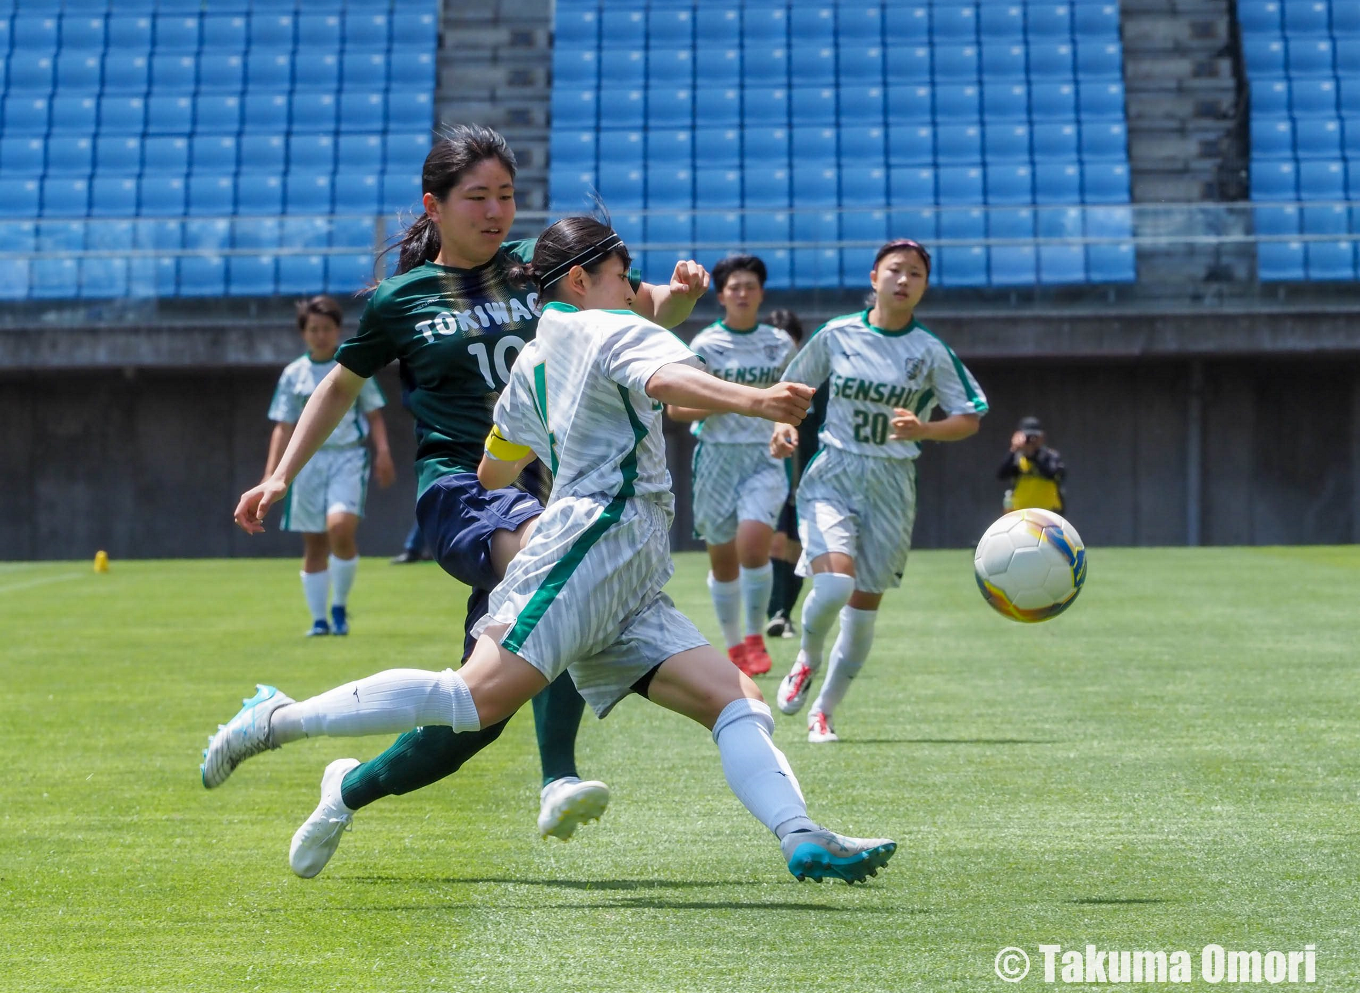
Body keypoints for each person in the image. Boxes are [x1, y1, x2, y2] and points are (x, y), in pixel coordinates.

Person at [204, 216, 897, 884]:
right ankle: (277, 718)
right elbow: (664, 381)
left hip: (627, 571)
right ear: (577, 281)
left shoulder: (535, 356)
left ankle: (803, 836)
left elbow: (495, 469)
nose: (632, 291)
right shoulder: (606, 325)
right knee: (470, 703)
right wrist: (755, 401)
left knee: (737, 700)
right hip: (590, 543)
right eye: (622, 276)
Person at [227, 125, 710, 877]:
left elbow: (641, 319)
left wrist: (678, 299)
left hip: (554, 493)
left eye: (507, 195)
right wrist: (282, 474)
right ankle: (558, 777)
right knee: (560, 578)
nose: (496, 211)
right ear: (436, 205)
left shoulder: (542, 274)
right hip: (463, 488)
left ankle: (343, 792)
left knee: (471, 719)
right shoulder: (401, 299)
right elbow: (340, 386)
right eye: (478, 196)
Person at [771, 240, 989, 743]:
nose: (904, 279)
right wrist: (780, 429)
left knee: (864, 609)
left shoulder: (931, 351)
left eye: (915, 273)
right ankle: (806, 657)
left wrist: (926, 430)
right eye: (895, 270)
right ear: (874, 278)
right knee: (834, 586)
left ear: (924, 287)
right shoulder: (838, 334)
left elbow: (969, 417)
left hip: (892, 483)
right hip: (835, 472)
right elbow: (792, 389)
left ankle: (823, 711)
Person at [665, 255, 795, 677]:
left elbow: (792, 402)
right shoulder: (704, 344)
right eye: (734, 287)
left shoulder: (780, 343)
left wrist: (783, 426)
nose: (742, 293)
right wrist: (728, 399)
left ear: (761, 293)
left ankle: (756, 636)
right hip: (716, 458)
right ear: (721, 295)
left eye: (750, 286)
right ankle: (735, 645)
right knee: (723, 561)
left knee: (754, 545)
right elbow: (676, 408)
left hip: (763, 456)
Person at [265, 295, 396, 636]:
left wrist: (382, 451)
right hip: (307, 463)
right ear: (303, 333)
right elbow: (283, 425)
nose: (320, 335)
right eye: (313, 329)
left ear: (338, 330)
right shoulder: (294, 374)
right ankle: (319, 620)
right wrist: (271, 473)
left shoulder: (352, 366)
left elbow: (374, 414)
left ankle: (339, 606)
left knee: (340, 528)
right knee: (314, 542)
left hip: (347, 456)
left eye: (327, 328)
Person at [761, 307, 820, 641]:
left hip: (800, 469)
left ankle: (782, 612)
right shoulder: (756, 377)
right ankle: (773, 612)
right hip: (762, 469)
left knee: (795, 546)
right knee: (775, 542)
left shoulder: (810, 377)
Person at [998, 416, 1066, 514]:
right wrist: (1014, 449)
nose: (1031, 441)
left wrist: (1033, 456)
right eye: (1027, 437)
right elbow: (1001, 474)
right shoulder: (1017, 458)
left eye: (1034, 437)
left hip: (1048, 513)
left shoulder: (1050, 456)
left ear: (1042, 437)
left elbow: (1052, 474)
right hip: (1020, 514)